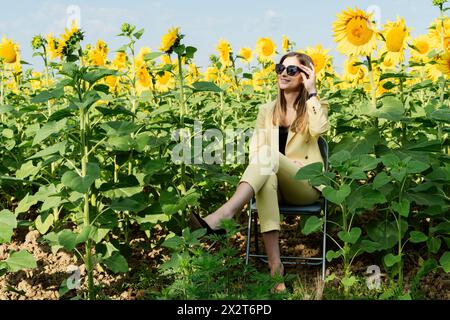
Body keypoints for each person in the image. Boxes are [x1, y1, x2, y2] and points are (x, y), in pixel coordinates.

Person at [189, 51, 330, 292]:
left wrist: (313, 91)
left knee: (269, 157)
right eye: (280, 68)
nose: (283, 73)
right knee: (266, 177)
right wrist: (276, 161)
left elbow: (320, 129)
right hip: (273, 181)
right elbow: (255, 149)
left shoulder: (314, 106)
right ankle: (277, 271)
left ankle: (226, 213)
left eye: (292, 70)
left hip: (305, 185)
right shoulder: (267, 110)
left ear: (305, 75)